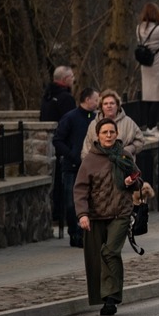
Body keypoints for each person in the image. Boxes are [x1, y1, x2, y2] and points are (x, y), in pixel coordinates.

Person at [74, 117, 143, 316]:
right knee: (96, 255)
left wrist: (132, 182)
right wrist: (83, 214)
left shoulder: (124, 156)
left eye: (112, 132)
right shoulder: (90, 160)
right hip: (96, 215)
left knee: (110, 251)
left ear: (116, 134)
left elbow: (139, 181)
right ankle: (102, 295)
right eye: (105, 132)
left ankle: (111, 298)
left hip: (120, 213)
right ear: (98, 135)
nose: (109, 135)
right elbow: (80, 189)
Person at [53, 88, 100, 247]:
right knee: (71, 202)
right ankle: (75, 234)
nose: (98, 102)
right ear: (87, 99)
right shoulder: (70, 118)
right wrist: (72, 155)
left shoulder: (95, 119)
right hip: (72, 167)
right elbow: (58, 140)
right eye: (96, 99)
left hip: (92, 166)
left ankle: (87, 234)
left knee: (91, 201)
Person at [82, 90, 142, 158]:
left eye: (112, 103)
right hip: (99, 165)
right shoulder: (94, 124)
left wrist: (130, 149)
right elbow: (87, 148)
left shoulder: (128, 122)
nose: (109, 106)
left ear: (117, 105)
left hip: (123, 164)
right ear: (101, 107)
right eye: (105, 104)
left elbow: (140, 141)